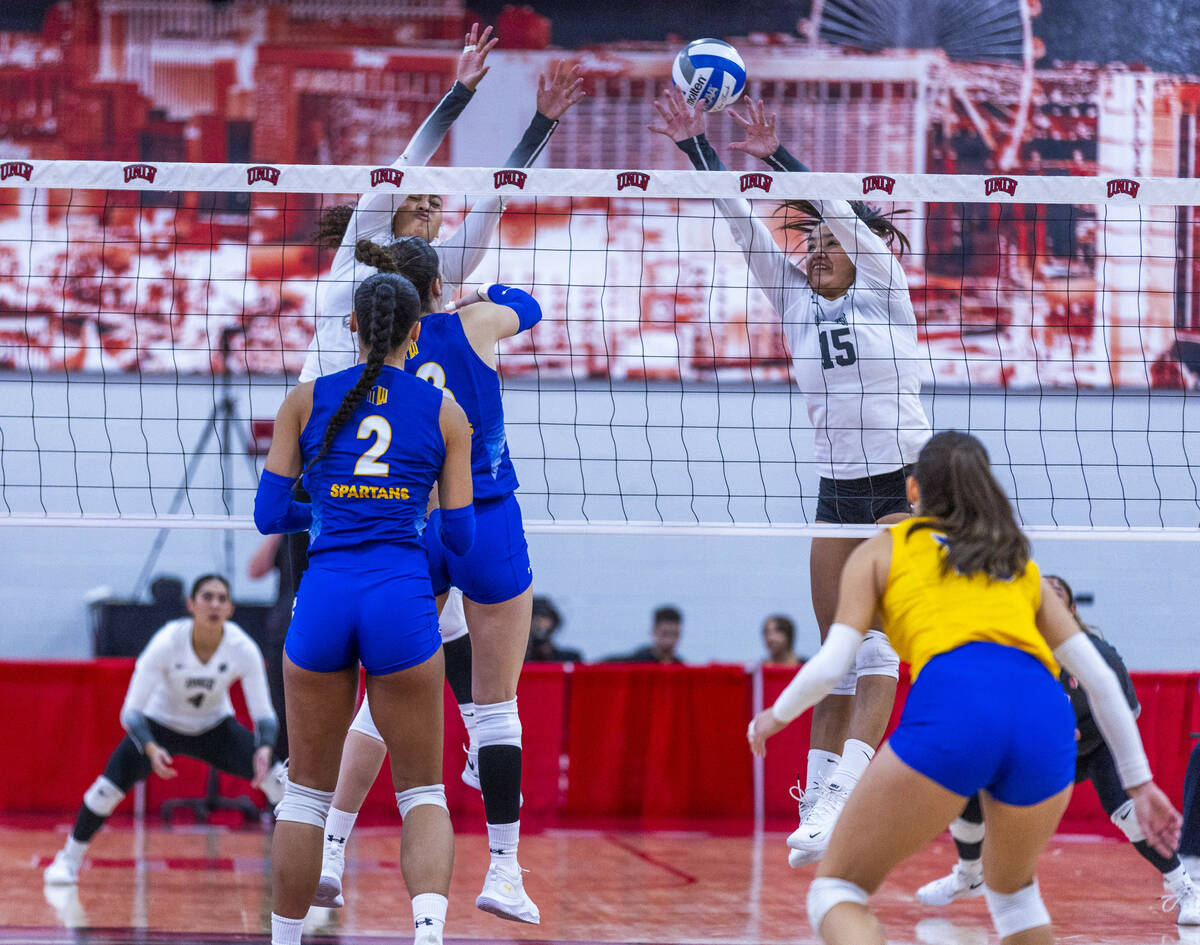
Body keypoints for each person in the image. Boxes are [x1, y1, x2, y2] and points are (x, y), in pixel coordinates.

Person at [747, 431, 1181, 945]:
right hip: (1046, 719)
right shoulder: (1018, 565)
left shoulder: (884, 549)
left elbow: (831, 665)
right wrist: (1140, 784)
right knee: (1015, 897)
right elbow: (1102, 681)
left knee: (835, 890)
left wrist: (775, 715)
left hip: (959, 707)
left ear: (913, 490)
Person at [651, 90, 927, 863]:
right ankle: (816, 802)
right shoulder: (795, 302)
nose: (811, 251)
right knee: (835, 649)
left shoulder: (884, 289)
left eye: (822, 242)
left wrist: (777, 155)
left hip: (903, 483)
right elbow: (742, 225)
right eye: (804, 245)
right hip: (837, 486)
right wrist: (696, 148)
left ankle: (844, 795)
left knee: (878, 649)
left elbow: (840, 214)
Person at [312, 237, 545, 925]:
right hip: (488, 514)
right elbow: (528, 307)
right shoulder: (474, 324)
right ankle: (504, 870)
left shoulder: (385, 357)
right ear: (441, 284)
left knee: (378, 700)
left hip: (416, 524)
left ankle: (330, 851)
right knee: (496, 705)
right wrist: (486, 295)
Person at [255, 269, 475, 945]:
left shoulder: (302, 400)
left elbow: (269, 515)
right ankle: (429, 935)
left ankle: (285, 939)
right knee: (422, 793)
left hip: (324, 596)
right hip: (400, 600)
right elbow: (460, 538)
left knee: (305, 795)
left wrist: (328, 508)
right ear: (418, 330)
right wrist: (406, 510)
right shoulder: (445, 412)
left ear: (352, 326)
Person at [915, 573, 1200, 926]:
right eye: (1039, 593)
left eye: (1057, 592)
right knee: (967, 786)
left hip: (1096, 747)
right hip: (1039, 750)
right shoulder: (1010, 654)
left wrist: (1080, 732)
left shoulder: (1096, 652)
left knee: (1129, 814)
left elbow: (1128, 712)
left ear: (1069, 608)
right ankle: (969, 874)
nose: (1047, 596)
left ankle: (1186, 887)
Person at [301, 29, 583, 383]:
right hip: (320, 398)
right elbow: (411, 158)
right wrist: (461, 90)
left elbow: (496, 197)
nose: (424, 206)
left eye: (434, 202)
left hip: (396, 407)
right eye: (414, 197)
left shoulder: (444, 265)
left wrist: (542, 122)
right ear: (392, 206)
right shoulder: (363, 239)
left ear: (441, 223)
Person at [44, 575, 285, 886]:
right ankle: (68, 860)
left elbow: (264, 714)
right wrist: (149, 747)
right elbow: (131, 711)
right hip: (158, 727)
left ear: (230, 608)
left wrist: (264, 748)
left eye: (221, 598)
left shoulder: (241, 647)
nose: (214, 604)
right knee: (105, 791)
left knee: (280, 782)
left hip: (215, 728)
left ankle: (313, 866)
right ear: (191, 604)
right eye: (207, 597)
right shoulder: (168, 641)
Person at [247, 533, 308, 759]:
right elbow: (254, 571)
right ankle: (281, 787)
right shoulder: (290, 532)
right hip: (283, 632)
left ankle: (322, 787)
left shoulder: (336, 527)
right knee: (281, 715)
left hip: (324, 631)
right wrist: (279, 528)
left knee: (320, 717)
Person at [605, 606, 684, 664]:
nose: (669, 641)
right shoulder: (636, 662)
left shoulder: (681, 667)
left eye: (675, 634)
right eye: (664, 634)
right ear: (653, 631)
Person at [526, 596, 583, 663]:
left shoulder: (570, 659)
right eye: (535, 618)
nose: (540, 624)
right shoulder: (516, 663)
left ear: (554, 622)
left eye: (544, 617)